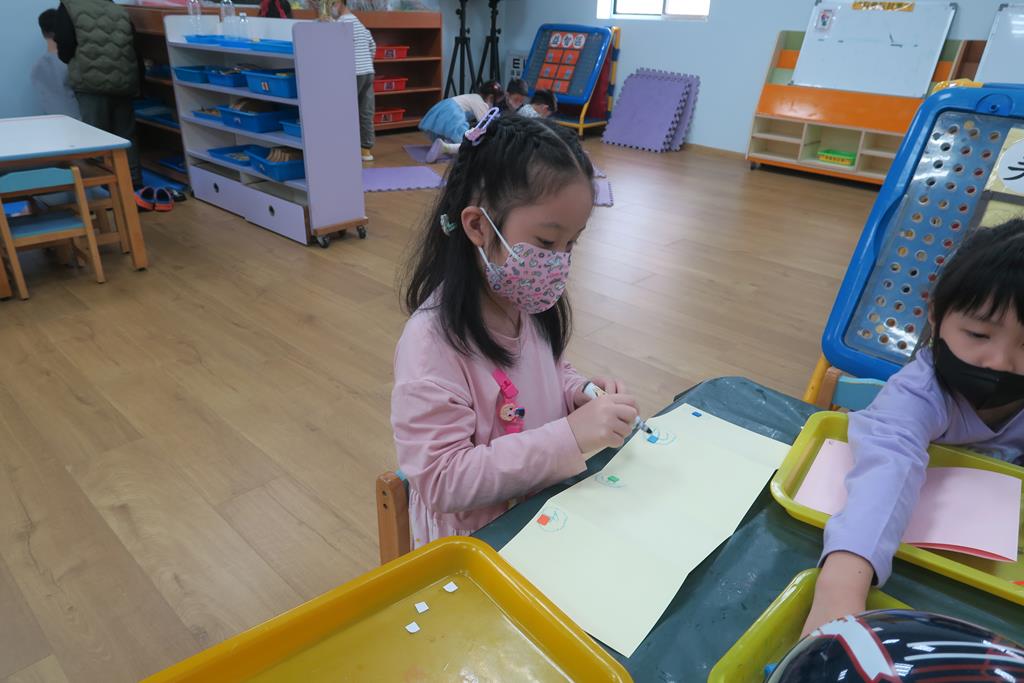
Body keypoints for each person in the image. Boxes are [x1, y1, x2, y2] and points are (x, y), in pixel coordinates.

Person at [392, 115, 639, 547]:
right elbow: (443, 480)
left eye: (572, 243)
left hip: (541, 512)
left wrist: (579, 392)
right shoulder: (430, 343)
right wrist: (571, 435)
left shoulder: (527, 300)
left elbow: (547, 371)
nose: (559, 261)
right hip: (476, 544)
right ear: (477, 225)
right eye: (546, 242)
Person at [803, 218, 1024, 635]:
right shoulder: (919, 393)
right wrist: (839, 589)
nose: (1000, 362)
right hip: (913, 564)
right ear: (936, 314)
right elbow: (888, 468)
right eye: (978, 334)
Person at [53, 0, 142, 186]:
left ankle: (104, 188)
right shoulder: (116, 8)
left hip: (90, 83)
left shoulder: (69, 6)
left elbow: (65, 45)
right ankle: (133, 185)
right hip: (123, 80)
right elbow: (134, 46)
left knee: (95, 138)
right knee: (126, 137)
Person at [421, 80, 505, 163]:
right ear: (490, 98)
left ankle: (444, 144)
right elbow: (484, 123)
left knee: (452, 133)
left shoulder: (474, 96)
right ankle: (445, 147)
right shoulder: (481, 103)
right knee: (467, 140)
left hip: (442, 107)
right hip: (453, 112)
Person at [336, 0, 376, 162]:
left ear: (337, 3)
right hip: (368, 71)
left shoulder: (339, 24)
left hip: (352, 73)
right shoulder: (359, 24)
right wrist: (365, 61)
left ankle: (345, 149)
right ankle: (366, 151)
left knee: (344, 112)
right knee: (366, 112)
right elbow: (372, 46)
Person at [32, 9, 81, 119]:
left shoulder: (36, 69)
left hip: (53, 123)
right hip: (80, 122)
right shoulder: (71, 64)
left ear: (43, 33)